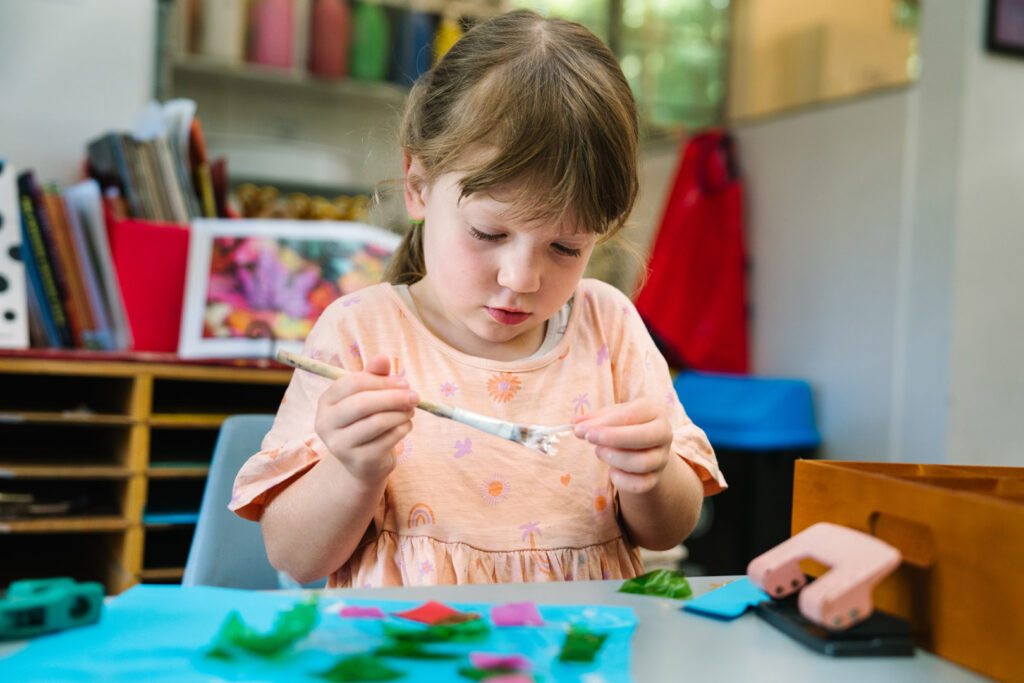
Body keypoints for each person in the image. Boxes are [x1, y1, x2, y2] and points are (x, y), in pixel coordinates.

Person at [230, 9, 726, 588]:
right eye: (489, 235)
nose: (521, 279)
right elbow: (294, 557)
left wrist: (653, 474)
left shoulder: (608, 326)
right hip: (407, 653)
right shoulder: (359, 333)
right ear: (417, 186)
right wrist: (351, 468)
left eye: (565, 247)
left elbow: (668, 531)